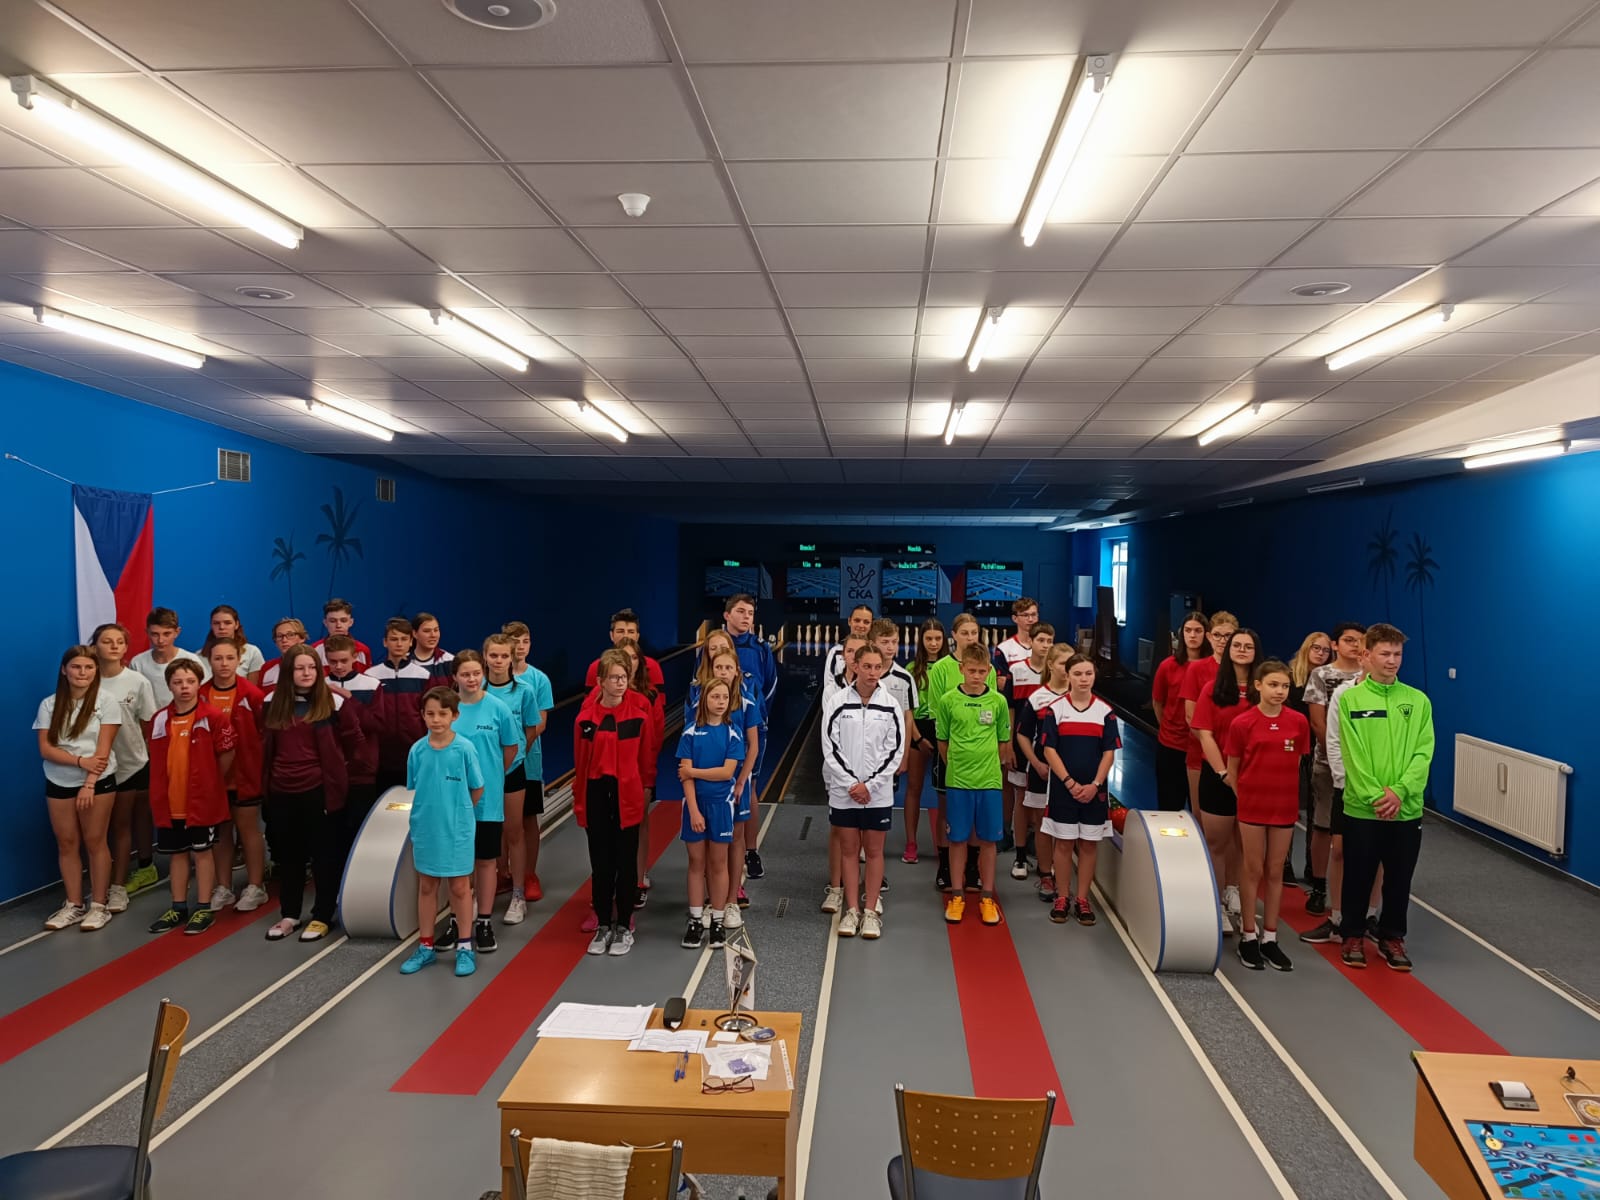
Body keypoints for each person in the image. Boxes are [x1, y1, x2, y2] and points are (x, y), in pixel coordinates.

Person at [1334, 624, 1434, 972]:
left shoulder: (1418, 701)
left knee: (1399, 879)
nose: (1392, 660)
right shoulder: (1351, 700)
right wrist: (1378, 796)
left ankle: (1392, 936)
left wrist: (1400, 792)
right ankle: (1352, 935)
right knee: (1358, 875)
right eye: (1385, 654)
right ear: (1367, 656)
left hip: (1406, 810)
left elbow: (1423, 753)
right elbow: (1353, 756)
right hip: (1363, 809)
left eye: (1397, 654)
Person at [261, 644, 362, 942]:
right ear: (288, 672)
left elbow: (355, 742)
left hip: (320, 792)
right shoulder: (271, 703)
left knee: (324, 856)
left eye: (311, 668)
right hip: (281, 791)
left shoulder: (334, 702)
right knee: (289, 856)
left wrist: (335, 771)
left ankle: (322, 915)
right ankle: (290, 914)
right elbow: (265, 745)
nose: (306, 673)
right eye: (299, 668)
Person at [1225, 660, 1309, 971]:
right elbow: (1233, 769)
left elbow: (1296, 762)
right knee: (1252, 869)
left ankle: (1270, 937)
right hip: (1252, 808)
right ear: (1258, 686)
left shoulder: (1298, 722)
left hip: (1283, 808)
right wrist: (1246, 798)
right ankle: (1248, 935)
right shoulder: (1242, 723)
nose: (1279, 691)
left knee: (1275, 871)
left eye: (1285, 686)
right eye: (1273, 685)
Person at [398, 687, 485, 978]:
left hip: (457, 830)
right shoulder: (417, 750)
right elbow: (416, 787)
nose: (436, 720)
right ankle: (425, 946)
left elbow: (477, 788)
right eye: (430, 714)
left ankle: (465, 947)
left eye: (442, 714)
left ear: (454, 715)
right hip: (425, 829)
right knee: (427, 886)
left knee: (459, 887)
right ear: (422, 716)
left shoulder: (465, 749)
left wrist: (460, 813)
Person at [821, 643, 906, 940]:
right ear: (855, 666)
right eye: (866, 666)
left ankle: (870, 911)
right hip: (844, 793)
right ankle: (852, 909)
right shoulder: (837, 702)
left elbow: (895, 750)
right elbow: (830, 747)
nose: (872, 672)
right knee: (848, 851)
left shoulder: (890, 705)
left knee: (874, 851)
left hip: (877, 793)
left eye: (877, 667)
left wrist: (869, 785)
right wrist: (850, 784)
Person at [573, 649, 654, 957]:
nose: (620, 683)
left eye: (624, 677)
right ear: (600, 682)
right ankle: (604, 924)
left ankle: (623, 926)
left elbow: (646, 762)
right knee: (601, 863)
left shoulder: (639, 716)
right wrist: (580, 803)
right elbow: (581, 765)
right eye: (614, 678)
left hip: (627, 795)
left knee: (625, 862)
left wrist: (644, 791)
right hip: (596, 793)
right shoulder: (585, 720)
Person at [436, 652, 519, 955]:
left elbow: (510, 749)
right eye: (465, 674)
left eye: (476, 674)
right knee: (457, 864)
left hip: (487, 801)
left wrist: (491, 777)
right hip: (453, 801)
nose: (471, 679)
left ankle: (483, 921)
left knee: (485, 861)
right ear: (454, 677)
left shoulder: (498, 708)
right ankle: (457, 920)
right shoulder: (447, 710)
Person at [146, 660, 236, 935]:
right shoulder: (159, 719)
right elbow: (156, 757)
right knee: (177, 855)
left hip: (201, 803)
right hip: (170, 804)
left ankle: (204, 907)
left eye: (190, 682)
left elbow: (226, 754)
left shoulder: (213, 717)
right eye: (177, 682)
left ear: (199, 684)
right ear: (169, 685)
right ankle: (178, 906)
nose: (184, 687)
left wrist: (209, 783)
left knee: (203, 853)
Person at [35, 645, 121, 930]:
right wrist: (80, 762)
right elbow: (46, 749)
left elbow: (103, 750)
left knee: (95, 841)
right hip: (59, 781)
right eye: (76, 667)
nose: (82, 672)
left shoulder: (106, 701)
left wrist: (89, 783)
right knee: (67, 843)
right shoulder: (49, 705)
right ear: (64, 670)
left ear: (96, 671)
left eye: (88, 667)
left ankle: (99, 905)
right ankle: (74, 904)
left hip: (97, 782)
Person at [1038, 653, 1119, 926]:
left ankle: (1082, 899)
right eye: (1078, 674)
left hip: (1094, 791)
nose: (1084, 679)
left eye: (1088, 674)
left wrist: (1095, 784)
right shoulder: (1056, 709)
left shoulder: (1105, 712)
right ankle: (1063, 896)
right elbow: (1049, 750)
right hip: (1064, 790)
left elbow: (1109, 753)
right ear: (1068, 676)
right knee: (1063, 843)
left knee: (1088, 844)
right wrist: (1069, 782)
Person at [935, 643, 1012, 926]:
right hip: (958, 782)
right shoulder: (948, 701)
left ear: (989, 670)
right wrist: (957, 765)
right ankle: (957, 896)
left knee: (988, 841)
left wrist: (989, 766)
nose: (976, 676)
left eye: (981, 671)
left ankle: (987, 897)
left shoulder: (998, 702)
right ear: (961, 669)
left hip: (989, 782)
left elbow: (1003, 741)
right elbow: (942, 741)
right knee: (957, 840)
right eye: (971, 671)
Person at [1191, 627, 1260, 936]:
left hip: (1254, 778)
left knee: (1245, 845)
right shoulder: (1212, 689)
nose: (1242, 650)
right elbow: (1204, 734)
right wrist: (1223, 773)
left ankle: (1235, 893)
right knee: (1217, 843)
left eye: (1248, 646)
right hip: (1217, 776)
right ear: (1228, 650)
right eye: (1237, 645)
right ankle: (1216, 902)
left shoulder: (1262, 689)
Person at [90, 622, 159, 909]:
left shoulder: (137, 681)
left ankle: (123, 882)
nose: (114, 646)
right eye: (107, 641)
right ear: (95, 646)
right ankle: (101, 884)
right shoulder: (87, 679)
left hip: (132, 763)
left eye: (119, 641)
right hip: (96, 768)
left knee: (125, 822)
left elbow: (147, 722)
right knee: (99, 829)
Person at [926, 614, 997, 893]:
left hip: (980, 762)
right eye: (965, 633)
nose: (970, 637)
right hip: (951, 754)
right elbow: (937, 714)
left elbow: (993, 713)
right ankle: (944, 866)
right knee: (947, 810)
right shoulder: (941, 668)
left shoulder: (989, 671)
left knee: (977, 816)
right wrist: (951, 760)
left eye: (974, 633)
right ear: (954, 636)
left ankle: (972, 869)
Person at [200, 639, 270, 913]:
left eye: (230, 658)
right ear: (209, 660)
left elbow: (264, 733)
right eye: (218, 658)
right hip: (214, 777)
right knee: (221, 833)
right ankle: (224, 887)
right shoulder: (202, 694)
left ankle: (256, 886)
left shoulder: (252, 694)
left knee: (249, 831)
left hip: (245, 776)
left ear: (239, 660)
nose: (224, 664)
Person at [1302, 622, 1366, 916]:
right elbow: (1318, 723)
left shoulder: (1370, 676)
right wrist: (1338, 759)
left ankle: (1358, 896)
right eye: (1349, 640)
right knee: (1324, 826)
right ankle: (1318, 886)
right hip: (1329, 766)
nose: (1355, 645)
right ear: (1335, 645)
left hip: (1365, 769)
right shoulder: (1321, 674)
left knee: (1358, 833)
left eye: (1360, 641)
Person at [490, 627, 552, 922]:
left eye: (525, 641)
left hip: (525, 764)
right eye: (515, 642)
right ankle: (502, 872)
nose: (520, 647)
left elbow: (537, 724)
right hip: (492, 768)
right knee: (498, 823)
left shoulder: (536, 681)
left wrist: (514, 755)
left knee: (525, 822)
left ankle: (527, 875)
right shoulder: (482, 685)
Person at [677, 678, 744, 950]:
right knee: (696, 863)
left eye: (724, 697)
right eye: (715, 696)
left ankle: (717, 920)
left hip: (721, 806)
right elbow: (685, 778)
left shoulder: (733, 733)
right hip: (695, 805)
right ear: (704, 698)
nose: (720, 702)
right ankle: (695, 920)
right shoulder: (690, 732)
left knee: (718, 864)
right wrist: (693, 810)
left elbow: (726, 772)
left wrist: (694, 771)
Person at [704, 647, 759, 928]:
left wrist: (741, 781)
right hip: (709, 783)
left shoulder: (746, 702)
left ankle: (732, 900)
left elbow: (754, 747)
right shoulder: (702, 701)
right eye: (718, 667)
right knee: (711, 841)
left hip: (737, 783)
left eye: (728, 668)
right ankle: (712, 899)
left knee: (736, 839)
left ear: (737, 671)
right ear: (711, 669)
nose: (723, 672)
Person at [723, 593, 776, 883]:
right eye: (741, 611)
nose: (746, 617)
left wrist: (755, 717)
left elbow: (771, 685)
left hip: (751, 729)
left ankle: (750, 850)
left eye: (750, 613)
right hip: (719, 729)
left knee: (750, 786)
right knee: (720, 785)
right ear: (727, 615)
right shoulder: (715, 647)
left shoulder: (761, 648)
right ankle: (721, 846)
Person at [1018, 643, 1071, 902]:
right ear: (1050, 665)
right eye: (1063, 664)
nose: (1068, 669)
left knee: (1066, 826)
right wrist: (1036, 763)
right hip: (1042, 771)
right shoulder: (1037, 698)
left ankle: (1063, 876)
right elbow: (1023, 735)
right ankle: (1045, 873)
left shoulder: (1080, 696)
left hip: (1070, 773)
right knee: (1042, 824)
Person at [616, 637, 666, 911]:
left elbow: (654, 739)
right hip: (614, 775)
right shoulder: (603, 695)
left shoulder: (650, 696)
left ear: (640, 662)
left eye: (633, 657)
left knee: (639, 823)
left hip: (639, 773)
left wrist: (647, 776)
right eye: (624, 657)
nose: (629, 663)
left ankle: (638, 876)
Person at [819, 634, 866, 913]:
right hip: (837, 771)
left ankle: (860, 887)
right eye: (849, 651)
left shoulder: (878, 690)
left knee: (866, 833)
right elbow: (832, 735)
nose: (854, 657)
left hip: (868, 773)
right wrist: (846, 774)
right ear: (843, 655)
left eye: (859, 652)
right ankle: (835, 888)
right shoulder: (831, 690)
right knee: (838, 830)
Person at [1004, 620, 1053, 879]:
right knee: (1022, 799)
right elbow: (1010, 711)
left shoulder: (1058, 673)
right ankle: (1020, 856)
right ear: (1030, 642)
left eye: (1049, 641)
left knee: (1045, 802)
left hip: (1049, 749)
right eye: (1041, 640)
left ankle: (1044, 855)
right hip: (1022, 745)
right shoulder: (1017, 671)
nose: (1045, 645)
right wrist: (1009, 744)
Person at [363, 617, 433, 794]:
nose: (399, 644)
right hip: (381, 756)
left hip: (415, 753)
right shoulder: (371, 676)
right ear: (385, 642)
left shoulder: (422, 675)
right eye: (394, 639)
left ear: (411, 642)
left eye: (404, 639)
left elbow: (429, 713)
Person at [992, 597, 1039, 856]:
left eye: (1034, 614)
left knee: (1033, 784)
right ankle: (1005, 831)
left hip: (1040, 727)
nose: (1031, 619)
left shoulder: (1045, 646)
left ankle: (1031, 832)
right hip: (1013, 721)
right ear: (1015, 618)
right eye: (1026, 615)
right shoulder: (1004, 650)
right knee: (1009, 780)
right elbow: (1002, 687)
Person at [1181, 611, 1239, 812]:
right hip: (1201, 754)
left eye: (1228, 636)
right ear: (1209, 637)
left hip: (1238, 755)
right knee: (1201, 814)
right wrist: (1213, 747)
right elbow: (1190, 716)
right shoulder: (1197, 669)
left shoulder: (1245, 670)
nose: (1223, 641)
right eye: (1217, 635)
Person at [901, 618, 948, 865]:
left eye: (937, 638)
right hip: (918, 730)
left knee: (943, 792)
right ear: (921, 640)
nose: (933, 643)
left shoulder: (951, 667)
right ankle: (911, 843)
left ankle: (944, 845)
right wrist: (918, 737)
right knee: (914, 787)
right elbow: (907, 709)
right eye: (928, 638)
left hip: (943, 731)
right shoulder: (911, 669)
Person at [1286, 631, 1331, 883]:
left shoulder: (1329, 680)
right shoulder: (1290, 677)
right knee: (1289, 805)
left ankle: (1313, 867)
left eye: (1325, 650)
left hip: (1318, 747)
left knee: (1317, 809)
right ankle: (1284, 863)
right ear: (1306, 648)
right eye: (1316, 648)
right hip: (1291, 747)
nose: (1320, 653)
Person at [1152, 612, 1209, 812]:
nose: (1192, 635)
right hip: (1172, 745)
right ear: (1181, 633)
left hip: (1203, 746)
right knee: (1170, 805)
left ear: (1206, 635)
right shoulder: (1167, 666)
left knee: (1200, 808)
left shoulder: (1214, 668)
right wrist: (1169, 728)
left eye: (1198, 631)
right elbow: (1158, 703)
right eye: (1188, 630)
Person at [129, 607, 207, 707]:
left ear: (177, 632)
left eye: (166, 634)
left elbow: (204, 694)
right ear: (147, 632)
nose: (160, 640)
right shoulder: (138, 663)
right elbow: (133, 697)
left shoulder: (191, 660)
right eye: (155, 634)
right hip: (150, 716)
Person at [584, 608, 665, 690]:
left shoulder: (651, 666)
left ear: (637, 637)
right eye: (620, 631)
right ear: (611, 635)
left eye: (631, 632)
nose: (626, 636)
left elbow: (659, 698)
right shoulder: (596, 667)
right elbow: (590, 698)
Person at [203, 605, 265, 683]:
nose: (221, 627)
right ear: (211, 626)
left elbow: (254, 688)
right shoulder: (199, 656)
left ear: (236, 625)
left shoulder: (252, 652)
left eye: (227, 623)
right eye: (216, 623)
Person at [824, 604, 875, 684]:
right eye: (857, 620)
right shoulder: (835, 652)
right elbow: (828, 685)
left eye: (866, 622)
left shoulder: (876, 652)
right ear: (849, 621)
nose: (861, 625)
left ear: (871, 625)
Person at [313, 597, 370, 669]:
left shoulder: (363, 650)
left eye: (343, 620)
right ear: (325, 622)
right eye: (333, 621)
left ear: (351, 622)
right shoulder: (315, 650)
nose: (338, 625)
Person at [260, 617, 308, 690]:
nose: (284, 640)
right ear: (275, 641)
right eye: (279, 636)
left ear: (302, 638)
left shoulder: (312, 665)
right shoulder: (267, 668)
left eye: (290, 635)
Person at [409, 612, 454, 679]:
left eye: (436, 630)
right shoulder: (403, 661)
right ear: (415, 633)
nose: (433, 635)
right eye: (427, 631)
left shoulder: (450, 661)